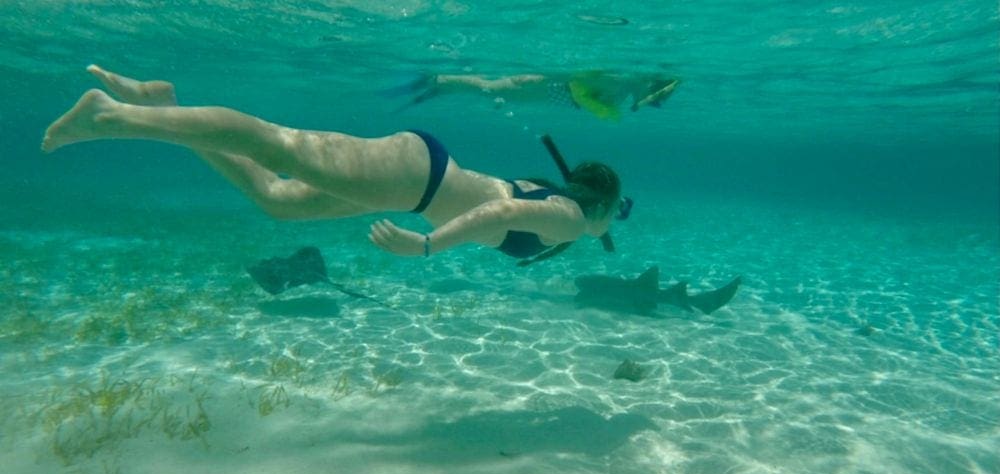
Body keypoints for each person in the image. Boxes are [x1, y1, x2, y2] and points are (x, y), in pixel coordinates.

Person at [42, 66, 623, 262]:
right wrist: (428, 247)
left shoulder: (561, 199)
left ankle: (162, 103)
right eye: (614, 216)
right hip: (416, 178)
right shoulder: (572, 219)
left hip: (412, 183)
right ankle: (111, 116)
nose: (609, 230)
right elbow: (497, 209)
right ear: (600, 206)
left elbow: (502, 207)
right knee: (279, 144)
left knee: (275, 199)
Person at [393, 70, 680, 121]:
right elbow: (580, 86)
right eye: (655, 98)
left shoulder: (622, 93)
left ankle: (441, 86)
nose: (652, 103)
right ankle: (436, 80)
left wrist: (606, 109)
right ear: (650, 85)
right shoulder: (620, 81)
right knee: (489, 89)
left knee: (488, 91)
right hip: (546, 86)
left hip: (551, 94)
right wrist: (604, 109)